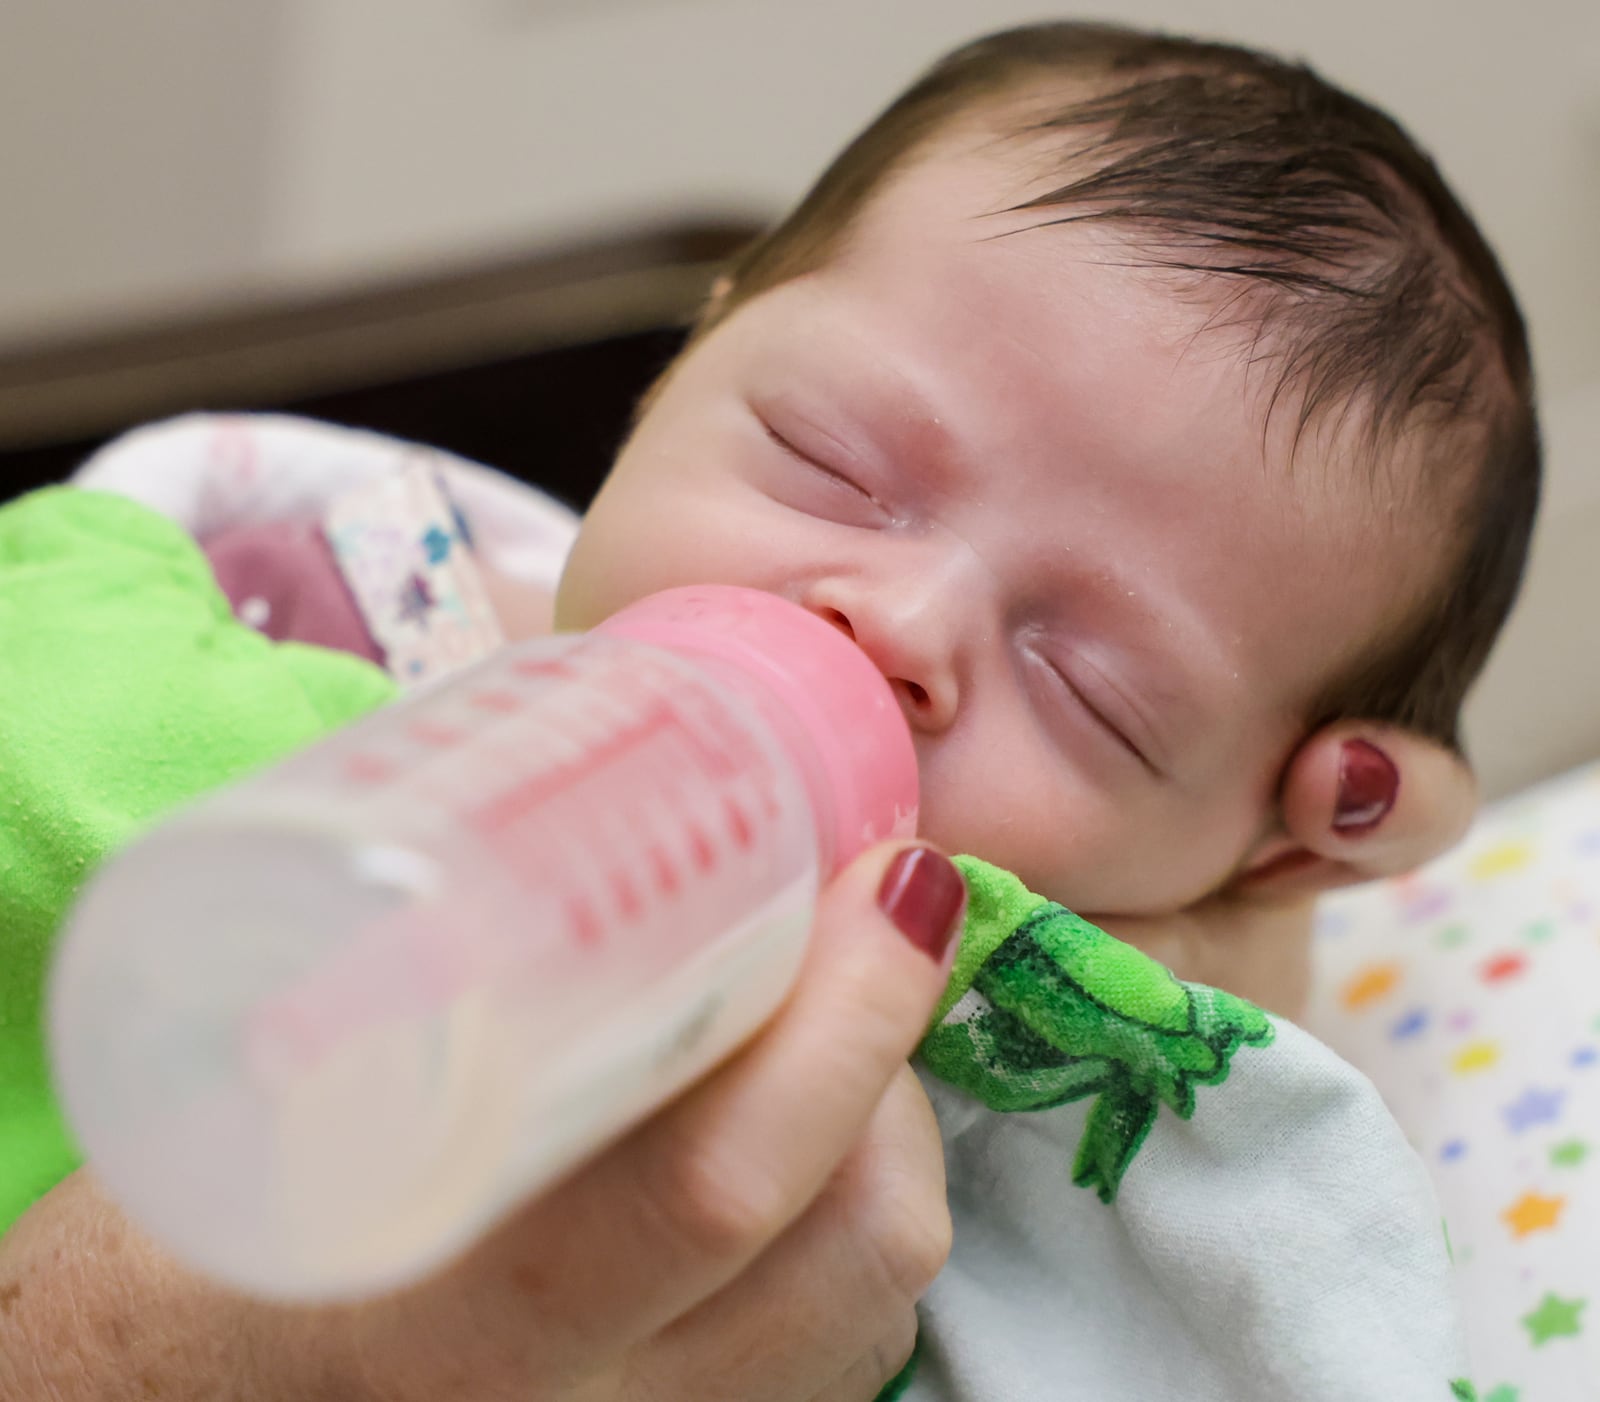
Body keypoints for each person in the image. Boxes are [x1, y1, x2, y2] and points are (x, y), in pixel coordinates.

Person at [0, 20, 1532, 1400]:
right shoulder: (302, 584)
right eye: (834, 460)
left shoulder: (969, 1090)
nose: (903, 624)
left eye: (1097, 694)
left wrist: (1216, 963)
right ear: (692, 352)